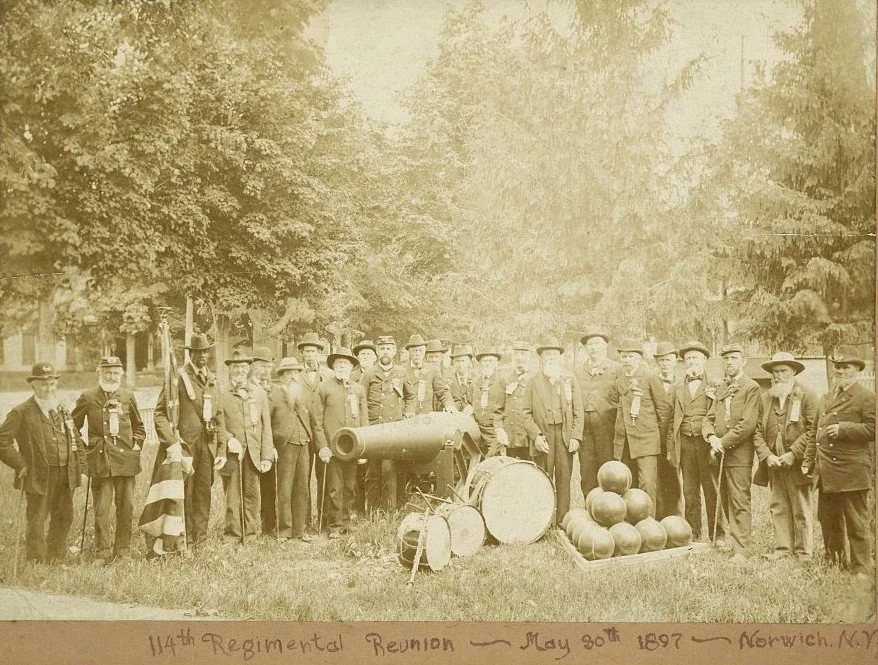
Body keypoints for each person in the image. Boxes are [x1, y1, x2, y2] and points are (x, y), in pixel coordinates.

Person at [0, 363, 86, 563]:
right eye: (44, 384)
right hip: (38, 474)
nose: (49, 388)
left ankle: (55, 557)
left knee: (64, 516)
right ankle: (36, 560)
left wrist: (81, 467)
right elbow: (2, 441)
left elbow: (75, 438)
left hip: (65, 473)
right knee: (37, 519)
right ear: (34, 386)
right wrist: (20, 464)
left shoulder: (63, 410)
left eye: (52, 383)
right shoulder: (21, 411)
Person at [804, 345, 875, 578]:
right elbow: (815, 432)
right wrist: (810, 462)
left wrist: (844, 429)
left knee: (856, 521)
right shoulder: (826, 397)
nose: (840, 371)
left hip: (852, 470)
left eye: (845, 367)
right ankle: (834, 560)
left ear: (856, 369)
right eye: (837, 367)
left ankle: (862, 568)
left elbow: (873, 429)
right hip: (827, 471)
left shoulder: (866, 397)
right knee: (827, 518)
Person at [152, 334, 227, 550]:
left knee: (203, 493)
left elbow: (219, 416)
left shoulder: (212, 379)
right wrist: (171, 443)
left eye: (205, 352)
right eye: (198, 352)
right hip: (184, 446)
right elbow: (159, 413)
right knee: (183, 493)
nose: (202, 356)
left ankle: (200, 541)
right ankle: (181, 541)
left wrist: (221, 449)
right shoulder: (178, 378)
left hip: (208, 446)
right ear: (190, 353)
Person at [72, 356, 145, 563]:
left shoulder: (128, 396)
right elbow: (72, 428)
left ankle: (122, 551)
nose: (111, 377)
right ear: (99, 373)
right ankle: (102, 551)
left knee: (126, 507)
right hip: (101, 461)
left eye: (115, 373)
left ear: (120, 374)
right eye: (108, 373)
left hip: (125, 462)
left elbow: (139, 427)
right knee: (101, 509)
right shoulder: (87, 397)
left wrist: (136, 445)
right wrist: (86, 451)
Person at [752, 352, 818, 562]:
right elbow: (757, 432)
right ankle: (782, 550)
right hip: (774, 464)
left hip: (798, 463)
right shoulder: (766, 398)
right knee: (778, 506)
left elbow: (813, 430)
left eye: (783, 371)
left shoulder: (807, 396)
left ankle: (803, 552)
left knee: (800, 507)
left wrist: (793, 453)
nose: (779, 376)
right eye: (775, 372)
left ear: (793, 372)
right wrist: (767, 456)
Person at [702, 343, 760, 562]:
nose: (729, 363)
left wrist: (723, 442)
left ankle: (742, 549)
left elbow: (747, 423)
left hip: (738, 455)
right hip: (719, 452)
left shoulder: (751, 387)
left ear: (743, 361)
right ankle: (735, 542)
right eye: (725, 359)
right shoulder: (722, 387)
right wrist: (711, 437)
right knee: (725, 498)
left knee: (739, 500)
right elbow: (708, 418)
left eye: (734, 358)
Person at [521, 337, 583, 523]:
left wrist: (576, 437)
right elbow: (525, 413)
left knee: (564, 479)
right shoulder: (533, 382)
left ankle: (563, 520)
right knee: (543, 479)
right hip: (544, 437)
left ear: (560, 357)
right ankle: (544, 520)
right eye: (547, 354)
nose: (551, 358)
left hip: (564, 437)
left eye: (554, 354)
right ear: (541, 357)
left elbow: (578, 410)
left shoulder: (568, 379)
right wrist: (536, 436)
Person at [667, 341, 723, 544]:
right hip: (685, 444)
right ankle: (694, 533)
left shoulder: (717, 384)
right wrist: (671, 447)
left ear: (705, 360)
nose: (692, 361)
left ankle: (718, 534)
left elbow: (721, 415)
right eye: (688, 358)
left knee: (711, 489)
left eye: (696, 357)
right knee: (690, 491)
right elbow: (671, 418)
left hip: (706, 444)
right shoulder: (677, 387)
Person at [312, 347, 369, 538]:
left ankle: (346, 522)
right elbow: (316, 421)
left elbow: (364, 421)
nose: (342, 367)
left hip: (353, 449)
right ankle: (334, 525)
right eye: (338, 364)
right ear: (333, 367)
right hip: (332, 448)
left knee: (350, 486)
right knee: (334, 487)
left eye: (346, 364)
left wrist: (364, 449)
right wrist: (323, 447)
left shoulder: (358, 389)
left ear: (352, 367)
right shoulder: (324, 388)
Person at [608, 339, 672, 509]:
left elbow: (664, 411)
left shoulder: (650, 377)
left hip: (647, 440)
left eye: (630, 356)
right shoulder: (619, 380)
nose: (627, 360)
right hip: (625, 442)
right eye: (624, 357)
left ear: (639, 359)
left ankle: (649, 524)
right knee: (628, 483)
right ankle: (631, 524)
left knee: (648, 484)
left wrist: (660, 439)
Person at [218, 349, 274, 541]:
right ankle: (232, 534)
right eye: (235, 367)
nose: (239, 371)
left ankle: (250, 533)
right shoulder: (221, 393)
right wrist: (227, 439)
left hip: (254, 452)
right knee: (232, 495)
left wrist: (266, 456)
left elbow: (266, 427)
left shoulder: (258, 393)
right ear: (229, 369)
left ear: (248, 369)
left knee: (252, 494)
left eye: (243, 367)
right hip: (232, 453)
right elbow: (216, 423)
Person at [360, 335, 414, 514]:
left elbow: (410, 396)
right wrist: (364, 425)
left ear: (394, 351)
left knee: (390, 469)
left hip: (394, 429)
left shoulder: (402, 372)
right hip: (374, 427)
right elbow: (362, 400)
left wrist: (409, 410)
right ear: (377, 351)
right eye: (382, 348)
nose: (385, 352)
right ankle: (373, 511)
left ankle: (390, 511)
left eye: (389, 348)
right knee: (373, 471)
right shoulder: (369, 374)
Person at [267, 356, 314, 543]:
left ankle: (299, 530)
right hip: (284, 446)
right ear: (282, 375)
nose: (293, 376)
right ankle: (284, 530)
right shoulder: (274, 395)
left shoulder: (302, 394)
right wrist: (270, 446)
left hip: (304, 444)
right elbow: (266, 423)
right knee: (284, 489)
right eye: (289, 373)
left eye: (295, 372)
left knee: (302, 488)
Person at [575, 330, 621, 499]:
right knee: (587, 473)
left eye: (597, 344)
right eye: (590, 344)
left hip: (607, 429)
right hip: (585, 431)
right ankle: (590, 512)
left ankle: (611, 511)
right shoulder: (578, 371)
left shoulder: (616, 369)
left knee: (608, 471)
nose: (593, 348)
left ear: (605, 346)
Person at [297, 332, 330, 527]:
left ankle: (324, 520)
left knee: (324, 473)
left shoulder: (329, 375)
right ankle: (305, 519)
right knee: (302, 477)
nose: (310, 355)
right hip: (301, 431)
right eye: (306, 351)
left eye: (313, 351)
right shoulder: (295, 375)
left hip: (323, 431)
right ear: (302, 353)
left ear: (319, 353)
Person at [250, 346, 282, 537]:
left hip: (271, 445)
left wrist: (272, 446)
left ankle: (269, 525)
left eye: (268, 367)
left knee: (270, 487)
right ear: (253, 367)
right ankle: (251, 526)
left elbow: (277, 420)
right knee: (253, 488)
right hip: (253, 443)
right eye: (262, 366)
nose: (265, 371)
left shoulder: (274, 389)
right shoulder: (248, 388)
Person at [653, 342, 683, 519]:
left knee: (673, 478)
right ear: (657, 362)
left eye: (668, 360)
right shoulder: (650, 381)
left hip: (675, 438)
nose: (665, 363)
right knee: (656, 478)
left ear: (675, 362)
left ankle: (675, 518)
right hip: (655, 437)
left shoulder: (682, 383)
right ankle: (658, 518)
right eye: (661, 360)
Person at [493, 341, 533, 461]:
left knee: (532, 472)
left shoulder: (535, 378)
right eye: (517, 354)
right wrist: (500, 430)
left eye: (523, 354)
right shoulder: (505, 379)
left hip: (529, 437)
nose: (519, 358)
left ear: (529, 357)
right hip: (510, 437)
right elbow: (498, 410)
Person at [404, 334, 455, 415]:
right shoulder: (401, 370)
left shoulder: (432, 370)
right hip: (407, 416)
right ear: (410, 352)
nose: (417, 353)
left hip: (426, 418)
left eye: (420, 350)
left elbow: (442, 391)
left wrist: (449, 405)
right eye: (414, 350)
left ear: (424, 352)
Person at [470, 347, 503, 456]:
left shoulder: (502, 381)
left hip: (494, 430)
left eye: (491, 361)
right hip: (478, 430)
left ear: (496, 363)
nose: (487, 364)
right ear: (480, 363)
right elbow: (470, 403)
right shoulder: (474, 383)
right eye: (484, 361)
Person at [447, 344, 475, 412]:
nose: (460, 364)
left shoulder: (476, 379)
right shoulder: (448, 380)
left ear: (469, 362)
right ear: (453, 362)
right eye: (458, 361)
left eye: (463, 361)